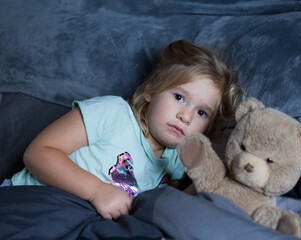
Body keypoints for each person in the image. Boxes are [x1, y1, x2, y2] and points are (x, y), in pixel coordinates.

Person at [5, 40, 243, 220]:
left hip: (76, 220)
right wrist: (96, 190)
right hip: (28, 200)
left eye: (202, 112)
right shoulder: (113, 113)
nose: (186, 116)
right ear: (151, 90)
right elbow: (38, 153)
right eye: (179, 96)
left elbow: (168, 204)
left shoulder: (178, 159)